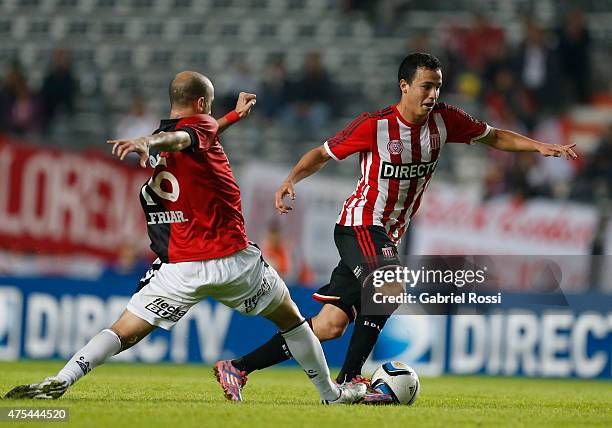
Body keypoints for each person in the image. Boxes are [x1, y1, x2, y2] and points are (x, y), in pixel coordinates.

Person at [215, 53, 577, 404]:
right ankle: (350, 378)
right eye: (425, 86)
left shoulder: (445, 120)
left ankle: (238, 367)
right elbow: (322, 153)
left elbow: (493, 136)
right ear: (404, 86)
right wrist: (290, 179)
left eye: (437, 86)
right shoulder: (375, 125)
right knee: (388, 286)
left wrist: (538, 147)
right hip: (359, 223)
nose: (433, 94)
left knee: (329, 325)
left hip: (386, 234)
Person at [3, 71, 365, 405]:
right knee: (292, 321)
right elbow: (189, 135)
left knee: (123, 331)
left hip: (181, 268)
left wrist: (216, 122)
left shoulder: (174, 140)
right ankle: (330, 394)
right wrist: (150, 139)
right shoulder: (187, 132)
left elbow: (188, 137)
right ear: (202, 104)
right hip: (233, 261)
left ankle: (64, 378)